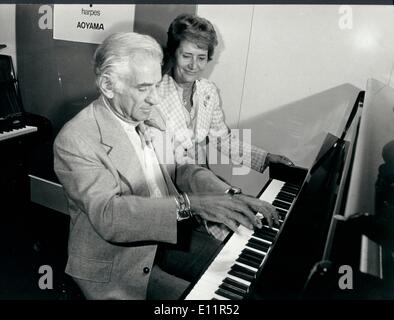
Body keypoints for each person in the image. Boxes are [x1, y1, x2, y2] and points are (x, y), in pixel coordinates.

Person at [53, 32, 279, 300]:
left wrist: (230, 195)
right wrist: (191, 204)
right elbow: (109, 216)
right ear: (107, 85)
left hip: (169, 236)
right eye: (143, 88)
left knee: (254, 274)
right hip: (118, 262)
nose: (155, 98)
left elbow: (182, 169)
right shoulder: (76, 138)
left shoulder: (150, 115)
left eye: (156, 86)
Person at [158, 13, 294, 171]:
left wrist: (266, 158)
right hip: (165, 179)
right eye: (187, 56)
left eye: (201, 58)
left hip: (197, 175)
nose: (193, 66)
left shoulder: (207, 91)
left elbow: (222, 139)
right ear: (173, 54)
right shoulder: (155, 93)